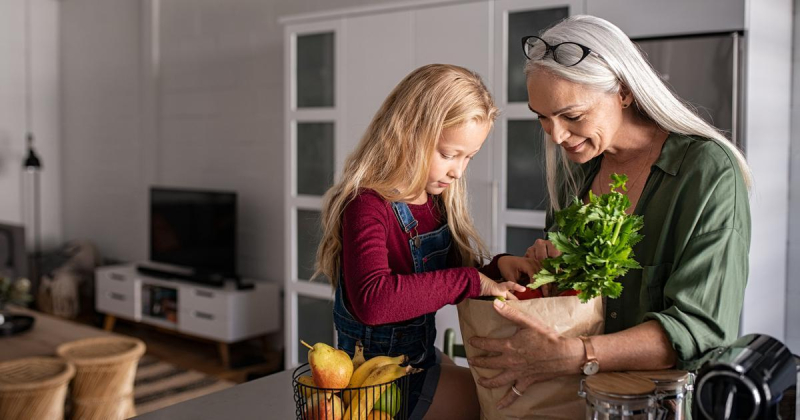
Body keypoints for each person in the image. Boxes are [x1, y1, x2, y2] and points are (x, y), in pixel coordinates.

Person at [467, 15, 752, 410]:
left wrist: (574, 355)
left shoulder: (705, 172)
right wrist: (550, 272)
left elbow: (701, 328)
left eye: (572, 115)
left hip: (668, 408)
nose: (557, 136)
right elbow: (574, 304)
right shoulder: (576, 175)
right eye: (542, 118)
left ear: (622, 91)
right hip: (578, 403)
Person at [314, 64, 537, 419]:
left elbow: (440, 276)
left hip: (418, 359)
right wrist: (469, 281)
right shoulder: (367, 205)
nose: (458, 171)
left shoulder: (435, 200)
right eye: (449, 154)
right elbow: (374, 301)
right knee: (489, 400)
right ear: (407, 133)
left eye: (469, 157)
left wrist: (494, 270)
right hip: (374, 386)